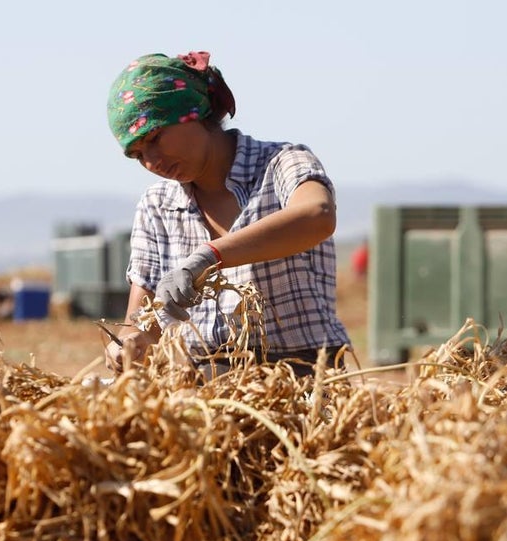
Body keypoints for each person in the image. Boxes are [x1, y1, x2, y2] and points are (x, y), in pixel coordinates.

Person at [102, 50, 351, 377]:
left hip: (304, 379)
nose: (152, 162)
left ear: (193, 113)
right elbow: (141, 320)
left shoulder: (282, 163)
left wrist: (209, 256)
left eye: (154, 137)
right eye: (137, 154)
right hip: (210, 390)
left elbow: (317, 214)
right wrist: (130, 343)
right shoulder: (156, 206)